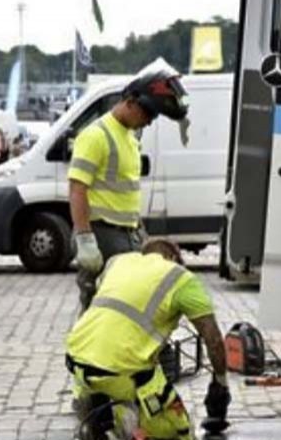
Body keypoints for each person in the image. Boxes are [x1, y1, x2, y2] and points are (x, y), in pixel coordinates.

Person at [65, 239, 231, 440]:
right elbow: (213, 339)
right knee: (180, 430)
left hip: (77, 359)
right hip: (120, 369)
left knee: (112, 367)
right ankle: (123, 416)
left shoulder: (118, 262)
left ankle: (97, 404)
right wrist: (221, 384)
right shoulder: (180, 277)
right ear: (173, 258)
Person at [68, 58, 191, 311]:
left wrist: (140, 231)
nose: (150, 120)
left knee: (128, 306)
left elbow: (126, 191)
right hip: (103, 235)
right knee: (99, 308)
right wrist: (84, 239)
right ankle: (83, 351)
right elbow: (77, 188)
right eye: (148, 112)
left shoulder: (130, 137)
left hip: (128, 234)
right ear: (130, 102)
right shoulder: (95, 136)